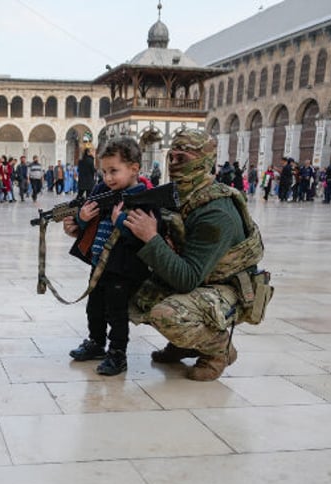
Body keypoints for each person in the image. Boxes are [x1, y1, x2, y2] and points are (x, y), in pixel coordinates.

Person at [123, 129, 270, 381]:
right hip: (203, 279)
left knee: (166, 314)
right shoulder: (183, 195)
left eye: (183, 159)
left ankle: (218, 349)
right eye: (172, 157)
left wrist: (151, 237)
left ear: (204, 162)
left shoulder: (216, 212)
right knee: (128, 289)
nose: (174, 164)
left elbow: (187, 278)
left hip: (229, 288)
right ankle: (186, 344)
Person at [62, 137, 156, 376]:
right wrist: (82, 218)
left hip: (123, 269)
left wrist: (121, 222)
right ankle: (96, 343)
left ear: (134, 168)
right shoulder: (102, 192)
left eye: (114, 171)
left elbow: (142, 237)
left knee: (116, 313)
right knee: (94, 308)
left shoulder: (144, 197)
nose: (108, 178)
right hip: (100, 264)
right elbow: (88, 225)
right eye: (104, 172)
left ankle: (117, 354)